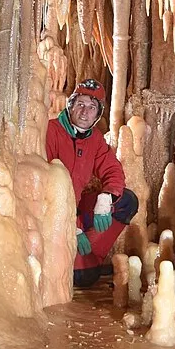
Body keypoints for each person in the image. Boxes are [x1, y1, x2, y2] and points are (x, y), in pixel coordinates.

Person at [44, 78, 137, 288]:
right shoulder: (50, 132)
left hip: (76, 207)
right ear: (70, 106)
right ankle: (79, 256)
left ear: (98, 114)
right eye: (81, 105)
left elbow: (113, 170)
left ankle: (91, 256)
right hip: (51, 216)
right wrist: (72, 228)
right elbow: (42, 190)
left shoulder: (94, 139)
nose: (85, 112)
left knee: (126, 201)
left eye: (92, 107)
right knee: (81, 278)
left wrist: (107, 197)